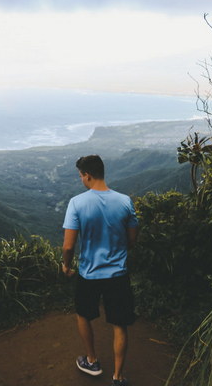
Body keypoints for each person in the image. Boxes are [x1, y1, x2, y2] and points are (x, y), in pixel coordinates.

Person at [61, 155, 138, 386]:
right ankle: (118, 377)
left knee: (84, 315)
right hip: (118, 274)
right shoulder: (125, 201)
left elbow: (68, 245)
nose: (81, 180)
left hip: (89, 273)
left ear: (87, 175)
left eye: (81, 176)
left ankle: (92, 360)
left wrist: (66, 265)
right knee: (119, 324)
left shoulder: (77, 203)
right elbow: (132, 239)